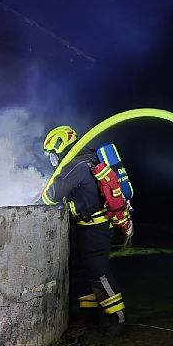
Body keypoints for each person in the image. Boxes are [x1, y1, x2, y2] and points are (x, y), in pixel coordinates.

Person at [41, 125, 128, 334]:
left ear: (61, 147)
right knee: (81, 270)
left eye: (53, 155)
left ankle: (117, 318)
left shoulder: (76, 165)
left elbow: (51, 196)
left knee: (99, 272)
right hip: (85, 226)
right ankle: (88, 315)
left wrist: (35, 196)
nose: (53, 160)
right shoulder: (87, 160)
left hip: (95, 228)